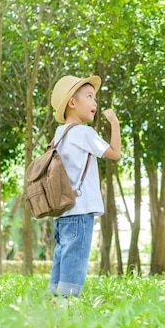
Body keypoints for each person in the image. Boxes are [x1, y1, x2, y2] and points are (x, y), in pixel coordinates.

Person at [47, 74, 121, 301]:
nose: (95, 103)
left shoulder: (59, 135)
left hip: (62, 213)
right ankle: (68, 309)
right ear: (72, 102)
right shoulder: (84, 132)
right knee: (75, 261)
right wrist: (115, 124)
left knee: (61, 258)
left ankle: (55, 303)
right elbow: (114, 154)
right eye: (89, 97)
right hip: (80, 211)